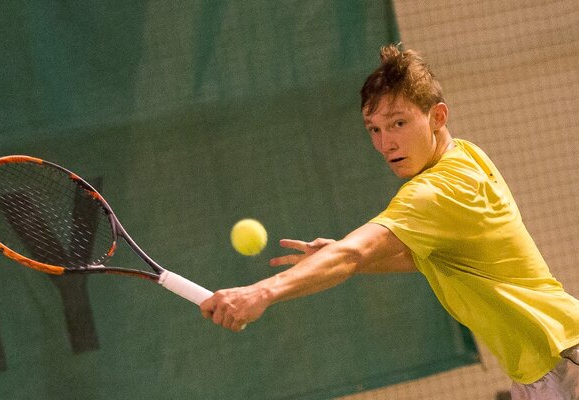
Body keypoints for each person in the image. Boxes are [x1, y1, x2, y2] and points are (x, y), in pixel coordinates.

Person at [200, 44, 579, 399]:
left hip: (561, 358)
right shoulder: (465, 156)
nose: (386, 144)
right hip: (540, 367)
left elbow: (353, 253)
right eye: (375, 129)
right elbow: (420, 256)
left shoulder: (434, 191)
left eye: (399, 123)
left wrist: (260, 293)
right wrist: (343, 258)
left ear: (437, 116)